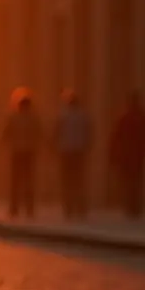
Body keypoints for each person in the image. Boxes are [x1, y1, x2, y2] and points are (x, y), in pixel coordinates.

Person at [108, 90, 145, 218]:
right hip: (137, 154)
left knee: (129, 181)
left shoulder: (124, 118)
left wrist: (113, 154)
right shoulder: (142, 117)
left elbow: (116, 137)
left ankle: (131, 206)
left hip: (127, 154)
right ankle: (135, 206)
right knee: (136, 180)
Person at [1, 88, 43, 219]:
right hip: (29, 152)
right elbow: (39, 134)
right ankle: (29, 209)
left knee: (16, 182)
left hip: (17, 151)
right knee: (28, 181)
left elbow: (5, 133)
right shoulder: (34, 118)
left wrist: (1, 146)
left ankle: (14, 208)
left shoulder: (13, 117)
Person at [53, 89, 92, 219]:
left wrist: (54, 147)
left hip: (66, 151)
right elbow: (89, 133)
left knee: (67, 181)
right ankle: (80, 207)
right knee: (79, 180)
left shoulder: (62, 116)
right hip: (79, 151)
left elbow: (56, 133)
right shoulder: (84, 116)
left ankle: (68, 207)